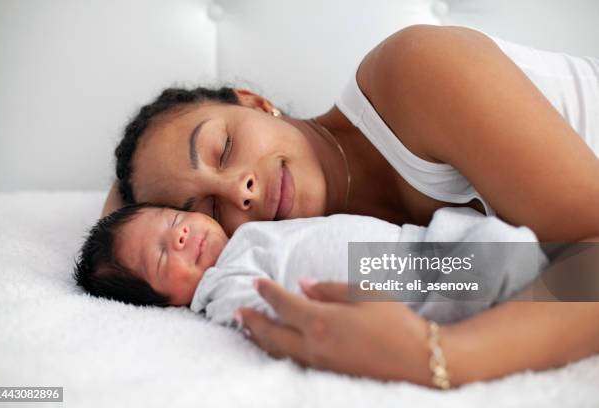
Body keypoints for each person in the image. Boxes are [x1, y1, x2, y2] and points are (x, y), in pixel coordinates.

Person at [101, 25, 599, 387]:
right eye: (208, 210)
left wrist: (439, 357)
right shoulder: (330, 251)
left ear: (254, 103)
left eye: (223, 148)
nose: (240, 190)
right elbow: (129, 247)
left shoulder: (416, 71)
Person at [75, 203, 547, 326]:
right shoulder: (223, 284)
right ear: (164, 302)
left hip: (424, 243)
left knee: (518, 248)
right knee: (517, 269)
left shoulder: (247, 233)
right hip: (409, 285)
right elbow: (257, 316)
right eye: (161, 255)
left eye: (176, 218)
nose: (180, 235)